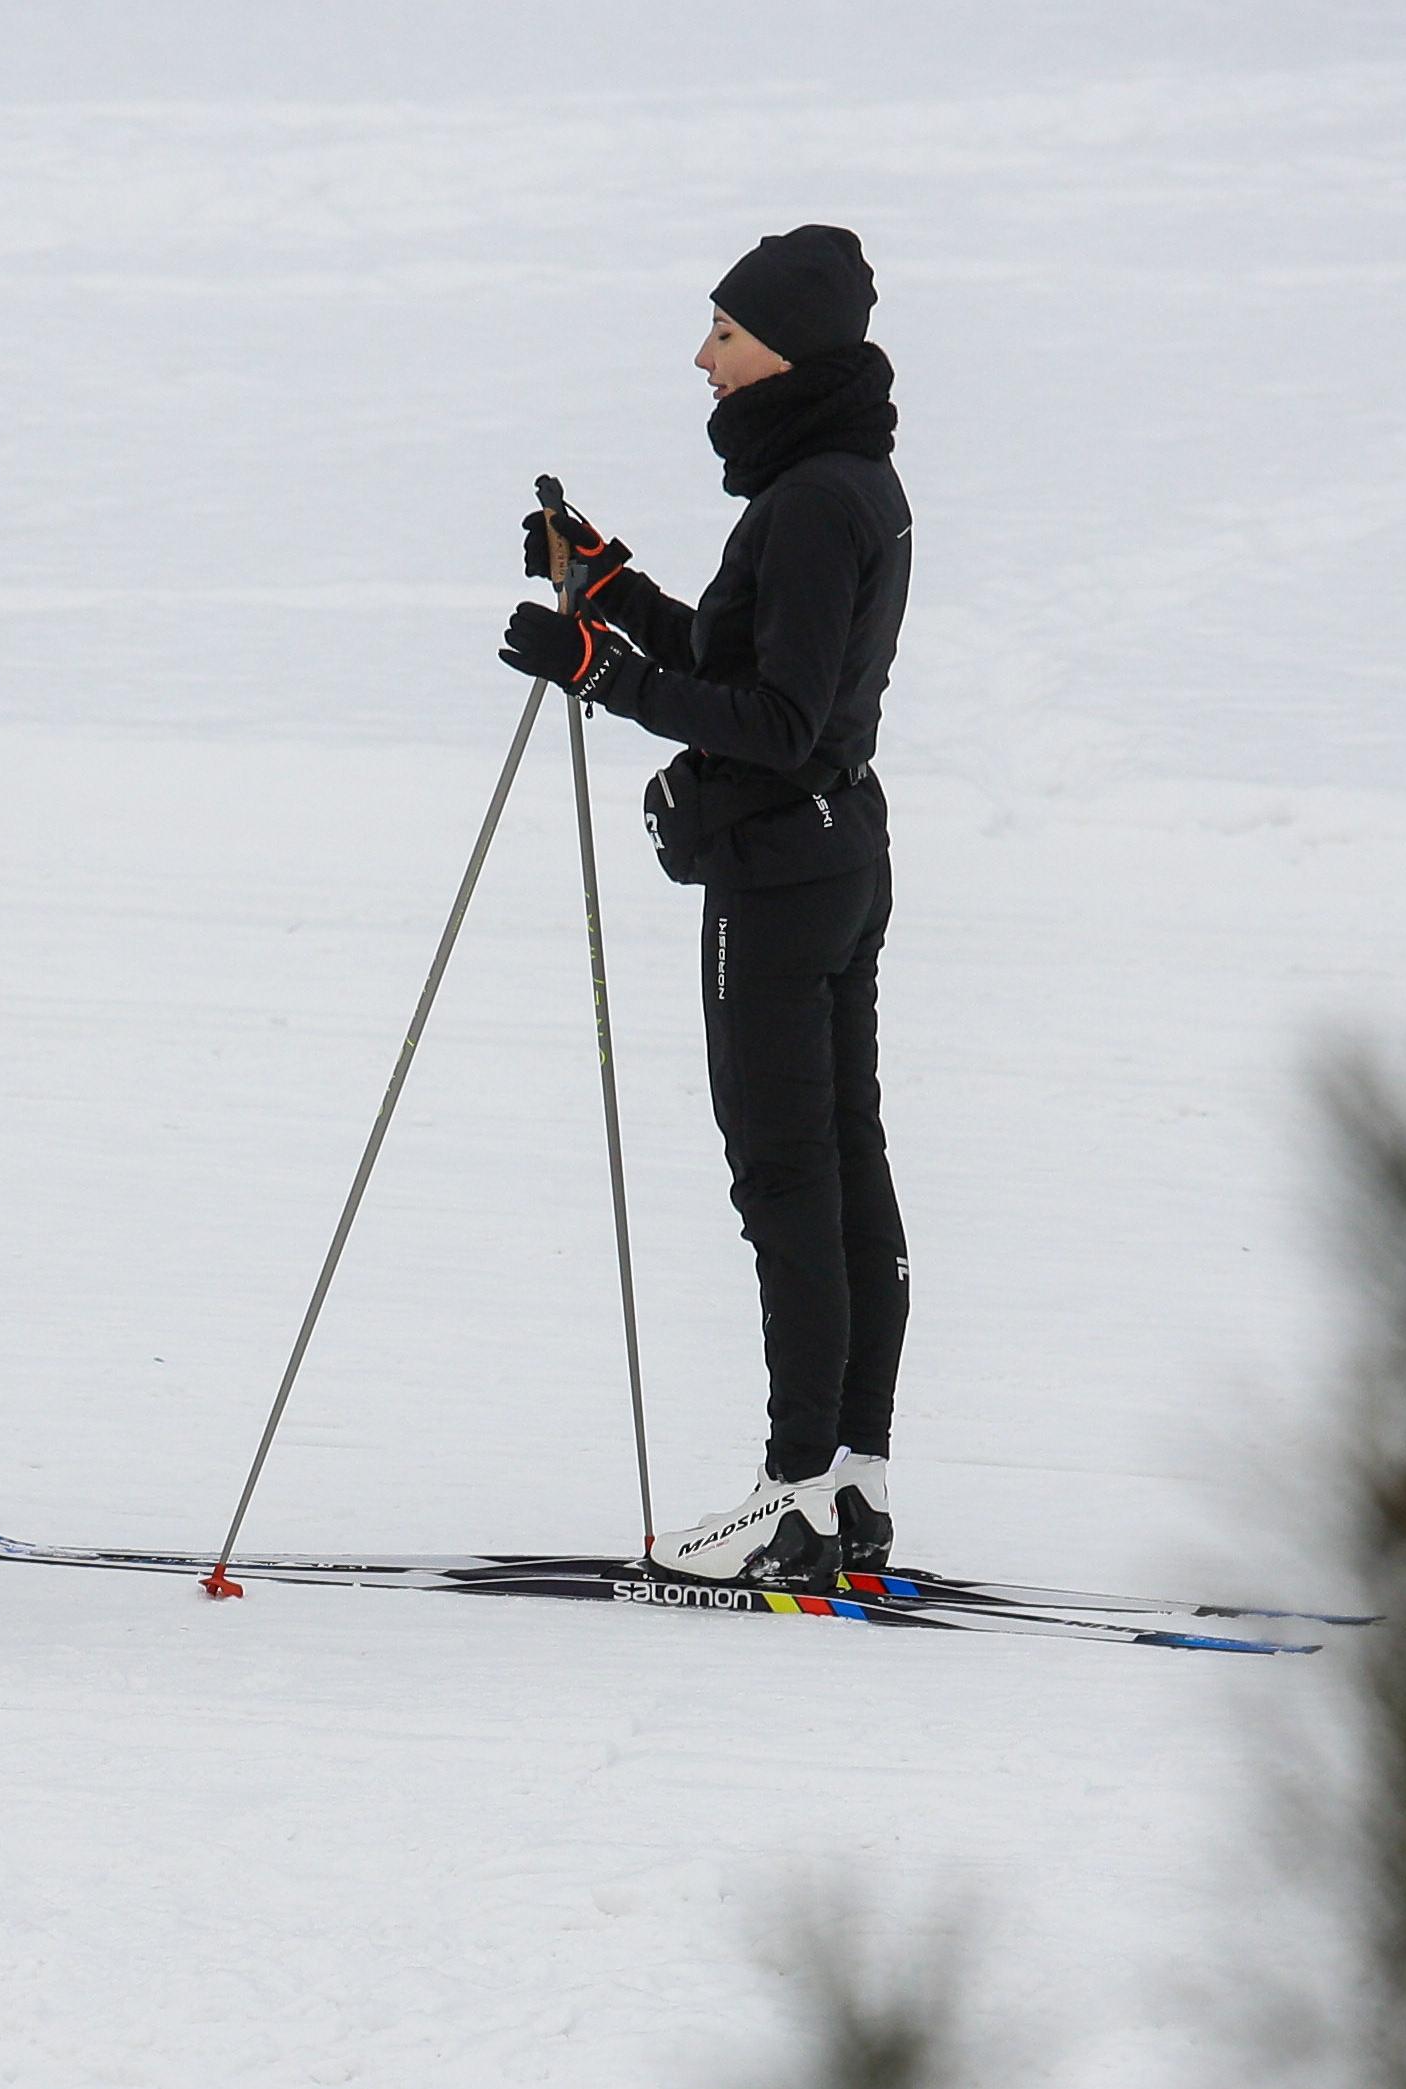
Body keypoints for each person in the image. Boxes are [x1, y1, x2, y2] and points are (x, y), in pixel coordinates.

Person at [495, 224, 916, 1589]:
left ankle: (793, 1500)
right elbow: (752, 661)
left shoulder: (809, 502)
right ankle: (849, 1482)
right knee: (842, 1164)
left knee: (788, 1181)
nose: (703, 356)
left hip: (782, 880)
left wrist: (598, 673)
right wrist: (612, 589)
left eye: (726, 334)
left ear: (786, 348)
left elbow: (774, 722)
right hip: (838, 856)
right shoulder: (844, 482)